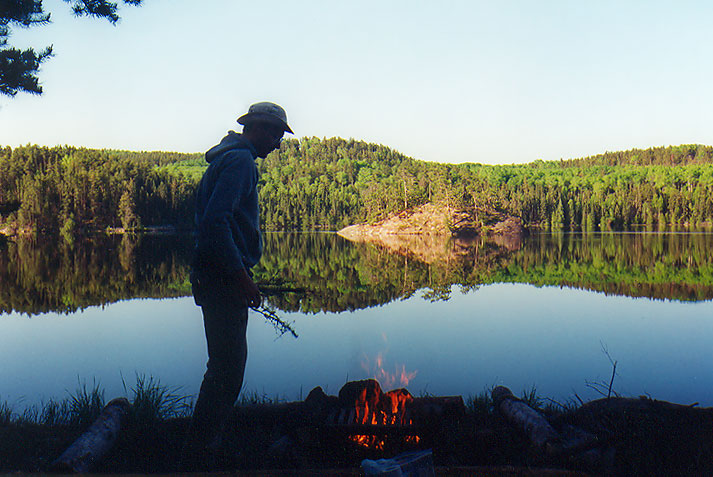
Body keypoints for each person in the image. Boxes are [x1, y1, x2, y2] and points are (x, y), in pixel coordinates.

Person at [181, 101, 293, 469]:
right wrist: (240, 276)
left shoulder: (228, 159)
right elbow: (216, 222)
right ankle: (201, 449)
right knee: (228, 368)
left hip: (215, 275)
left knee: (224, 365)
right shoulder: (241, 161)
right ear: (257, 128)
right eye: (276, 134)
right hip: (222, 279)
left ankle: (204, 442)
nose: (278, 143)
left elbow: (215, 222)